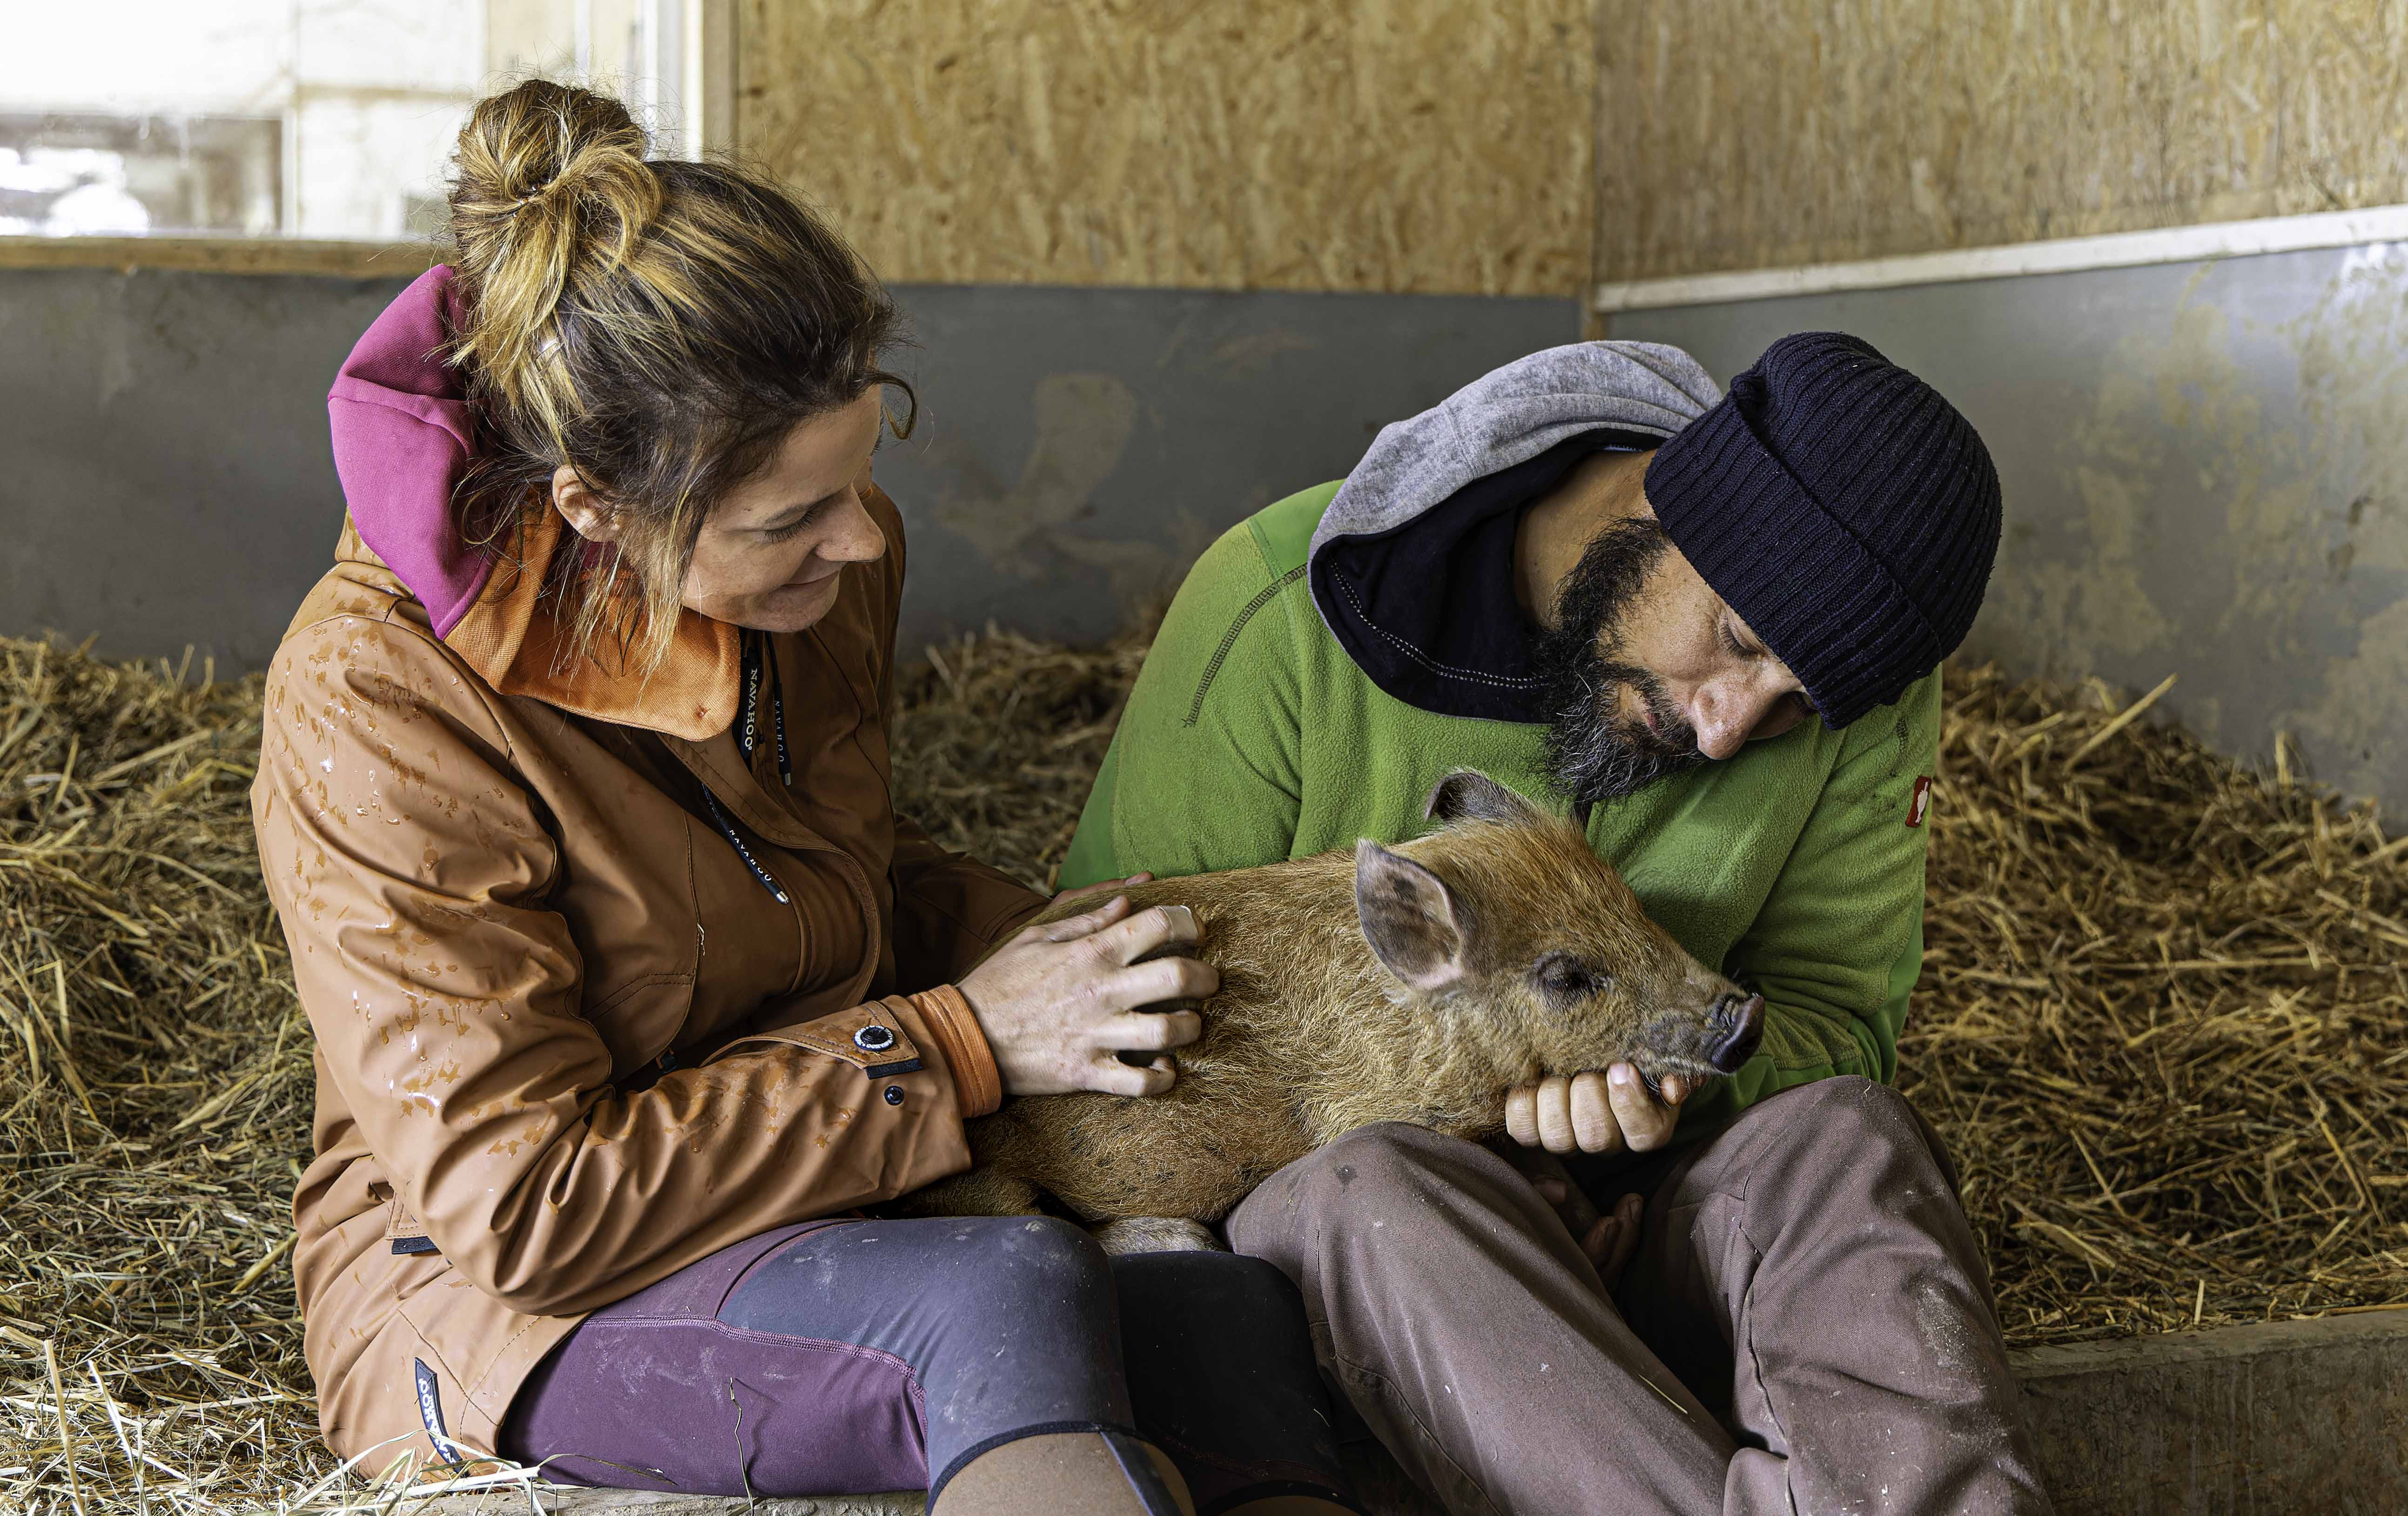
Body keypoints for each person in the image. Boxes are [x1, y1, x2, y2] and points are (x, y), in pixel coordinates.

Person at [250, 81, 1360, 1516]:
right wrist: (961, 1041)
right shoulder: (381, 698)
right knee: (999, 1294)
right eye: (790, 519)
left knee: (1221, 1310)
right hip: (502, 1299)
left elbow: (829, 874)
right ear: (594, 509)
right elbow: (526, 1209)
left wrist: (1086, 953)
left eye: (860, 476)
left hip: (813, 1182)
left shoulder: (814, 578)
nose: (862, 541)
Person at [1060, 336, 2057, 1513]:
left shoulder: (1855, 672)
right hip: (1350, 1197)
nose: (1729, 729)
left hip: (1665, 1193)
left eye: (1799, 704)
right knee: (1373, 1191)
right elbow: (1106, 999)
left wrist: (1650, 1097)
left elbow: (1838, 1024)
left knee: (1852, 1140)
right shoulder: (1278, 607)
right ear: (1658, 498)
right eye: (1738, 639)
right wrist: (1489, 1133)